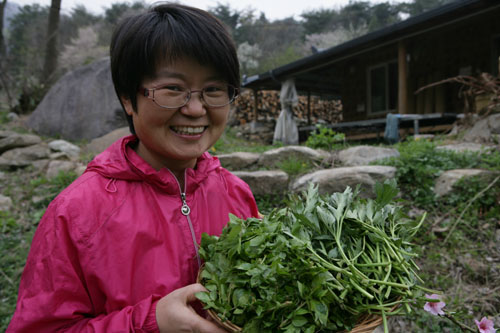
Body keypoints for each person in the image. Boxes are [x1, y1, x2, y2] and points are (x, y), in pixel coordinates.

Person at [7, 3, 259, 332]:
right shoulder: (77, 214)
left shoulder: (236, 194)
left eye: (213, 90)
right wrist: (151, 323)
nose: (196, 109)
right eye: (174, 89)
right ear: (128, 98)